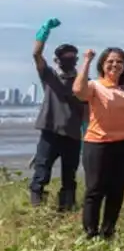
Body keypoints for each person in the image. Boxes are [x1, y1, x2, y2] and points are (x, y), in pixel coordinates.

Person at [72, 47, 124, 238]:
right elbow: (78, 90)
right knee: (95, 189)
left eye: (119, 61)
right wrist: (86, 61)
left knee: (117, 190)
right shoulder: (95, 85)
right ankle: (90, 233)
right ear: (102, 64)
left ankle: (108, 231)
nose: (115, 65)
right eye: (110, 61)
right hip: (98, 143)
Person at [29, 18, 86, 211]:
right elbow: (36, 54)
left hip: (73, 135)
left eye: (72, 56)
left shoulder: (83, 83)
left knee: (69, 176)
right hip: (49, 132)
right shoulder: (50, 76)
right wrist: (43, 32)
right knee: (41, 172)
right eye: (64, 56)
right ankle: (37, 208)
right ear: (57, 60)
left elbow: (88, 110)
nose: (68, 59)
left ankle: (67, 209)